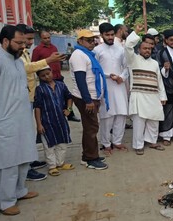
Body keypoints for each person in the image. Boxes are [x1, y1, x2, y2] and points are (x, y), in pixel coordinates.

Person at [0, 25, 39, 216]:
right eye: (19, 43)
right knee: (7, 164)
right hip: (4, 122)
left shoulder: (18, 62)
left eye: (24, 42)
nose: (23, 47)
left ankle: (19, 191)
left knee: (23, 158)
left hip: (22, 119)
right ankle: (4, 202)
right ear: (5, 41)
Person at [17, 24, 64, 181]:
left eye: (31, 39)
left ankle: (29, 161)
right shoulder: (17, 54)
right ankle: (25, 168)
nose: (31, 42)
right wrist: (48, 60)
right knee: (24, 133)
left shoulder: (24, 51)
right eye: (28, 39)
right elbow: (27, 68)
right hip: (22, 97)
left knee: (28, 132)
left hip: (29, 94)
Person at [69, 29, 108, 170]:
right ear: (80, 41)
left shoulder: (87, 54)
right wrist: (88, 101)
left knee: (90, 127)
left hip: (91, 96)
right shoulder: (79, 55)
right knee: (91, 128)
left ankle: (89, 155)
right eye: (89, 40)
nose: (92, 43)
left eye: (94, 40)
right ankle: (91, 158)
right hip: (86, 97)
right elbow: (81, 80)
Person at [125, 24, 168, 155]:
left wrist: (163, 96)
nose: (147, 50)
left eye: (149, 48)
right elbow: (127, 46)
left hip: (153, 96)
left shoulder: (155, 63)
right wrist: (136, 32)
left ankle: (152, 141)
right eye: (145, 48)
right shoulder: (133, 60)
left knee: (154, 120)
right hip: (139, 96)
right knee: (139, 122)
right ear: (139, 49)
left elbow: (159, 81)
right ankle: (138, 145)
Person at [94, 23, 129, 155]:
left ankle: (117, 141)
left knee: (121, 114)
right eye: (107, 35)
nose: (110, 37)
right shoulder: (97, 51)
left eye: (111, 34)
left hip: (119, 85)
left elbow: (126, 67)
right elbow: (94, 71)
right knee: (106, 116)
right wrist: (108, 76)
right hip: (105, 86)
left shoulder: (120, 49)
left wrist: (122, 77)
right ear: (102, 35)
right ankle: (106, 143)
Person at [32, 30, 81, 122]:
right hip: (46, 78)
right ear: (41, 39)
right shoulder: (37, 50)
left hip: (58, 76)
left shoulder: (54, 47)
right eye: (45, 38)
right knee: (50, 99)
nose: (47, 39)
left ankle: (70, 114)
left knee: (66, 96)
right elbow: (34, 64)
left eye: (48, 37)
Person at [34, 66, 74, 176]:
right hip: (47, 122)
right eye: (43, 76)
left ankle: (60, 163)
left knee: (62, 143)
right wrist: (39, 124)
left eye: (48, 73)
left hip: (61, 121)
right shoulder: (40, 89)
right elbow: (37, 107)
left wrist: (69, 109)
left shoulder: (61, 85)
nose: (46, 77)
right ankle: (52, 166)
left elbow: (69, 97)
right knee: (49, 145)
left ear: (52, 72)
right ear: (39, 78)